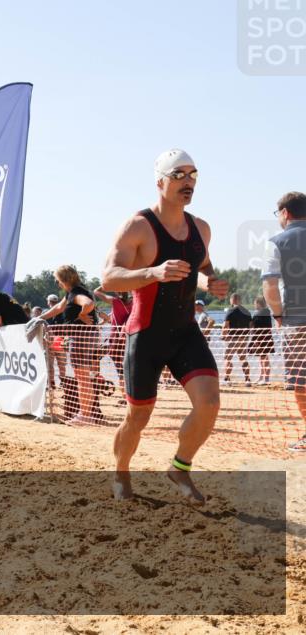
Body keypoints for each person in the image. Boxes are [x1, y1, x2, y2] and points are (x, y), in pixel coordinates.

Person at [101, 148, 228, 502]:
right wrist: (152, 272)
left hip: (186, 332)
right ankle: (121, 472)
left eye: (193, 175)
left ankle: (179, 467)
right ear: (160, 181)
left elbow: (202, 268)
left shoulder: (201, 228)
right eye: (179, 175)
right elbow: (109, 278)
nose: (187, 182)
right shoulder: (138, 226)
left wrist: (210, 284)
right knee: (138, 416)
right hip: (146, 334)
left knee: (210, 403)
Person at [261, 191, 306, 451]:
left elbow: (270, 285)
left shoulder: (277, 242)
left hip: (296, 323)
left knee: (301, 379)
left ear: (285, 213)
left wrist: (277, 314)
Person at [39, 265, 100, 425]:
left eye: (58, 280)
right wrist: (40, 318)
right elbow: (58, 308)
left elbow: (88, 304)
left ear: (65, 280)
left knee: (82, 377)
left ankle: (86, 415)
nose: (58, 283)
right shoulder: (74, 292)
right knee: (83, 376)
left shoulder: (76, 294)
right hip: (85, 337)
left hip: (81, 337)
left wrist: (82, 314)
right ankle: (87, 414)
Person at [94, 287, 132, 391]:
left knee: (120, 370)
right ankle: (133, 395)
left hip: (117, 339)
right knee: (131, 369)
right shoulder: (134, 303)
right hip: (131, 338)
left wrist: (107, 284)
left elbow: (96, 291)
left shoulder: (115, 301)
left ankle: (125, 397)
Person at [222, 293, 252, 385]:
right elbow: (251, 325)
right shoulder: (247, 311)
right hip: (243, 338)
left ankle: (227, 379)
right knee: (243, 358)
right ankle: (247, 380)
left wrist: (223, 336)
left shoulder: (230, 311)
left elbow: (225, 325)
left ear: (232, 300)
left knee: (228, 358)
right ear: (240, 300)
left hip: (232, 338)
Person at [249, 296, 274, 384]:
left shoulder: (259, 314)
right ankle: (262, 377)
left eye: (255, 303)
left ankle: (266, 378)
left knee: (264, 358)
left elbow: (254, 327)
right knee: (262, 358)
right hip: (266, 337)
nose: (254, 305)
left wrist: (255, 339)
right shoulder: (266, 312)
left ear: (259, 304)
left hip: (261, 338)